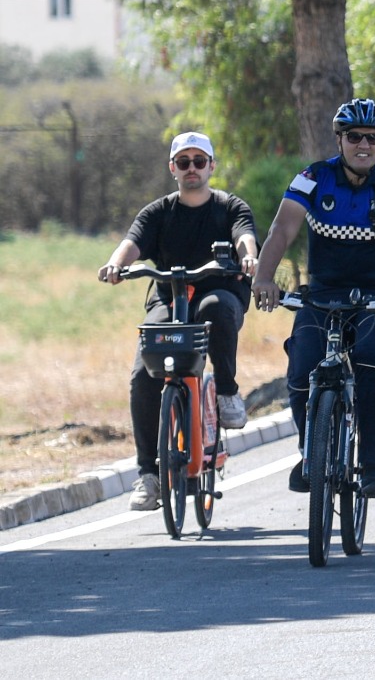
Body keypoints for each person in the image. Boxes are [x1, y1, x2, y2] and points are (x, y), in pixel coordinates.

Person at [251, 99, 375, 500]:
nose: (364, 145)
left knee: (373, 363)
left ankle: (373, 465)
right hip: (324, 295)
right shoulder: (313, 177)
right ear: (340, 138)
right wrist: (262, 277)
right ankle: (312, 451)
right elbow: (281, 229)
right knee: (300, 369)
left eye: (373, 138)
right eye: (354, 137)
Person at [97, 131, 258, 511]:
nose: (191, 169)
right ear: (173, 168)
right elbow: (132, 241)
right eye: (183, 162)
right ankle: (148, 475)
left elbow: (244, 236)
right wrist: (116, 264)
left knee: (213, 311)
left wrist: (248, 257)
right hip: (169, 296)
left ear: (211, 166)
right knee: (142, 373)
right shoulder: (158, 212)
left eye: (199, 161)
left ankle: (227, 393)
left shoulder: (230, 207)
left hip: (219, 292)